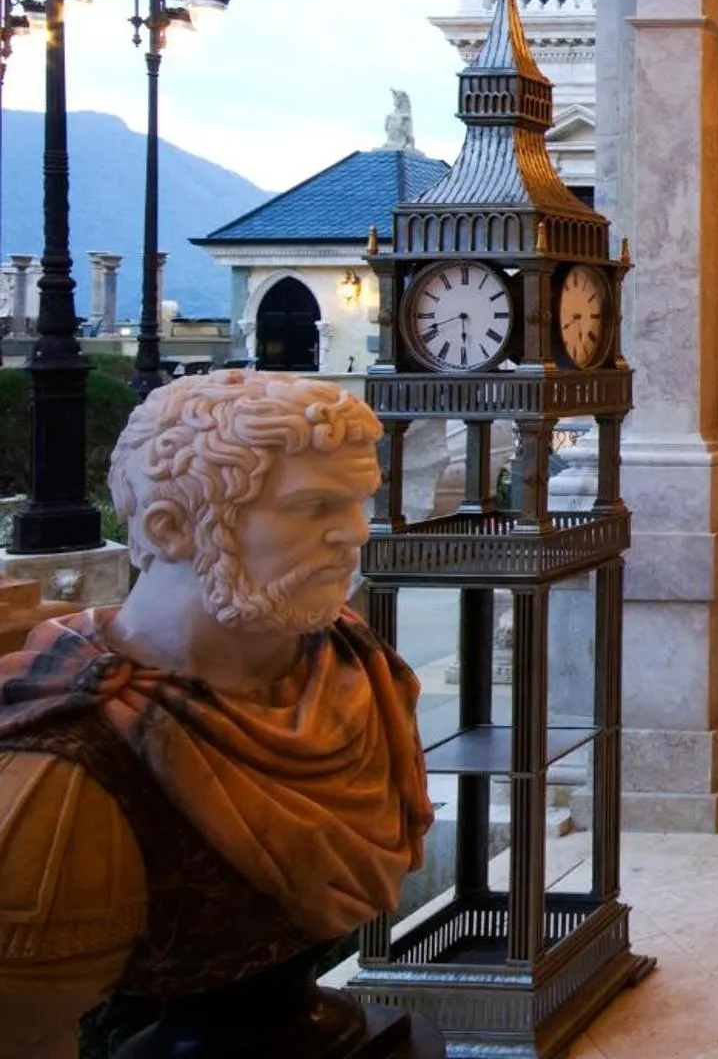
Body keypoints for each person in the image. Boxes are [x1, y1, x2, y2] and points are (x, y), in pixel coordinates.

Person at [0, 371, 432, 1059]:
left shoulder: (360, 670)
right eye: (314, 506)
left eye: (358, 503)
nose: (354, 534)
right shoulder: (66, 770)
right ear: (171, 527)